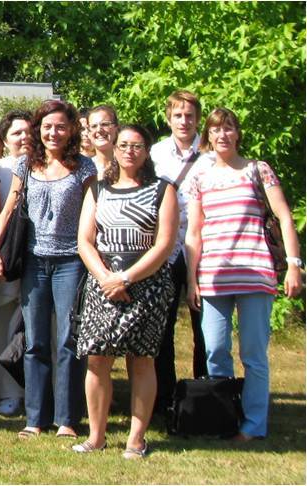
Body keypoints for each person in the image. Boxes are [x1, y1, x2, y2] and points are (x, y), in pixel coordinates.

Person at [186, 108, 303, 442]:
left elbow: (284, 218)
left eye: (228, 128)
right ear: (207, 135)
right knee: (215, 351)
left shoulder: (257, 170)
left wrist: (294, 264)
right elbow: (194, 232)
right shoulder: (200, 177)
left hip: (255, 274)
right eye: (216, 130)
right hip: (212, 276)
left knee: (253, 354)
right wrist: (191, 279)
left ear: (237, 133)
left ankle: (253, 425)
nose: (222, 135)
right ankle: (224, 419)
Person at [0, 100, 95, 438]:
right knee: (35, 342)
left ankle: (66, 419)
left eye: (61, 126)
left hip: (71, 262)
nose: (54, 132)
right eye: (48, 126)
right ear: (39, 129)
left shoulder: (85, 167)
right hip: (34, 261)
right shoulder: (26, 164)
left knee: (66, 340)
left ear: (71, 130)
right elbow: (8, 210)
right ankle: (35, 419)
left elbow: (92, 217)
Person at [73, 124, 177, 458]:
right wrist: (106, 277)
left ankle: (136, 439)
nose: (129, 151)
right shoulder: (97, 189)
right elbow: (85, 241)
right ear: (114, 149)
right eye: (123, 145)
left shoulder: (163, 190)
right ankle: (96, 436)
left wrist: (127, 278)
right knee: (97, 359)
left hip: (146, 285)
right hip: (102, 284)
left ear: (146, 151)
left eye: (136, 145)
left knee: (142, 360)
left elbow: (164, 245)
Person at [150, 90, 207, 414]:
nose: (184, 121)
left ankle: (208, 398)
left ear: (197, 118)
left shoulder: (211, 153)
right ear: (169, 118)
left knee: (205, 328)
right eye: (178, 115)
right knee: (163, 326)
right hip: (167, 248)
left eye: (189, 115)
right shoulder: (156, 153)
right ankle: (165, 400)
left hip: (204, 248)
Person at [0, 110, 33, 417]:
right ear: (5, 139)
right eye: (17, 133)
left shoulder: (46, 167)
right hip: (6, 257)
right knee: (3, 325)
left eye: (29, 132)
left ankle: (39, 390)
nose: (24, 138)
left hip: (38, 257)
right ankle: (8, 393)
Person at [86, 105, 118, 173]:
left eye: (105, 124)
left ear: (116, 128)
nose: (99, 130)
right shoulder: (83, 169)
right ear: (88, 132)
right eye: (94, 126)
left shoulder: (128, 165)